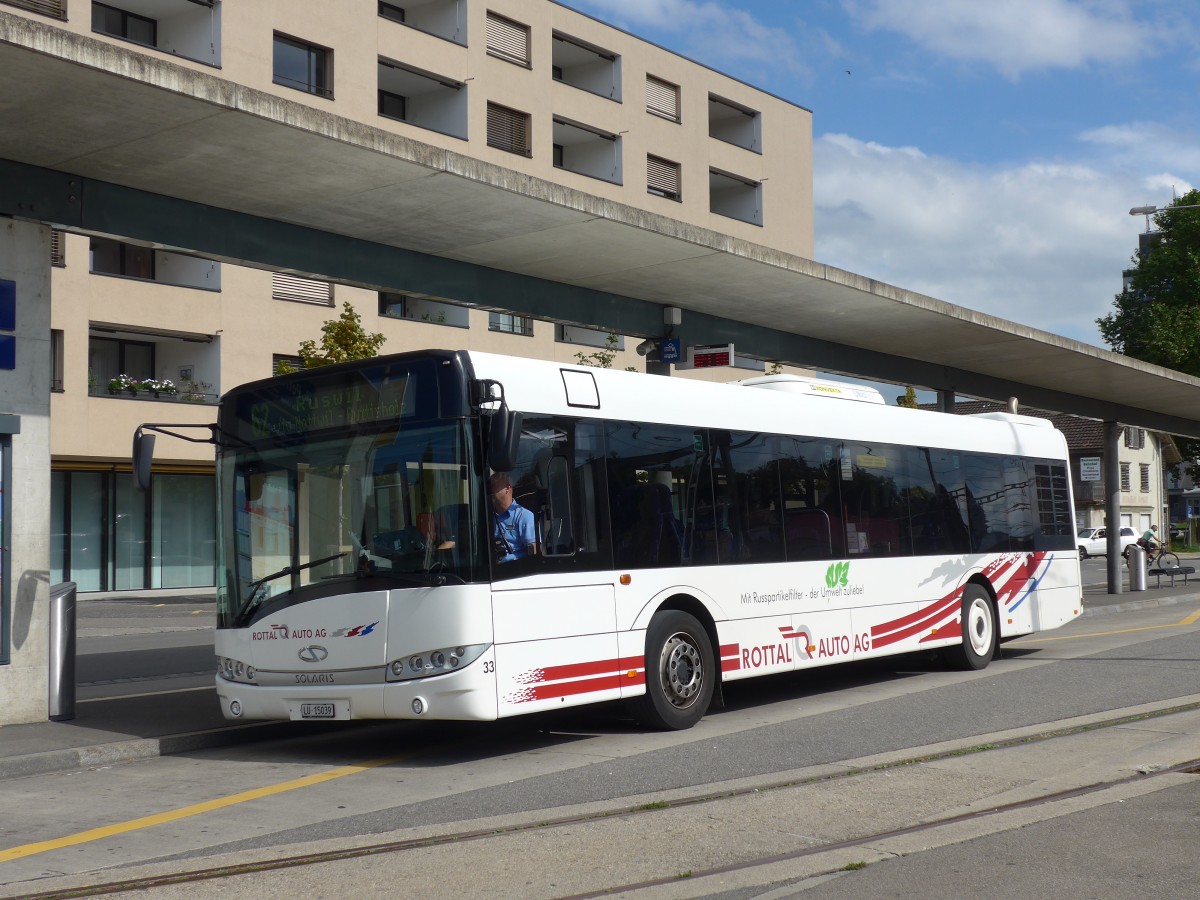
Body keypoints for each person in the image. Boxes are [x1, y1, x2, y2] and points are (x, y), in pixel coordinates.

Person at [489, 472, 538, 562]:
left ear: (507, 488)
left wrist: (508, 559)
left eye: (493, 486)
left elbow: (533, 552)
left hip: (516, 571)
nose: (490, 491)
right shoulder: (488, 517)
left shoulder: (524, 516)